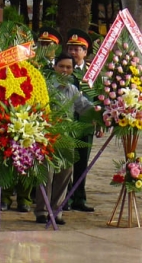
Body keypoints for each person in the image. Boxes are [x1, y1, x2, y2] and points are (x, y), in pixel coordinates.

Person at [36, 52, 97, 225]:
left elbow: (84, 107)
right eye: (61, 66)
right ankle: (42, 210)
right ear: (55, 67)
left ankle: (57, 211)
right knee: (46, 175)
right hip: (46, 137)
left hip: (66, 139)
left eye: (68, 67)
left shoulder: (72, 89)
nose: (65, 70)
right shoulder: (45, 87)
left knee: (64, 175)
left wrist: (104, 112)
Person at [65, 28, 96, 212]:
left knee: (82, 162)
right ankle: (66, 198)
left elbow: (98, 96)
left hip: (86, 123)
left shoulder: (93, 72)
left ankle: (79, 197)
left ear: (86, 51)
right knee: (67, 160)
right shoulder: (64, 68)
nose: (74, 52)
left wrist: (99, 122)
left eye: (78, 49)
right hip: (68, 121)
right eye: (71, 48)